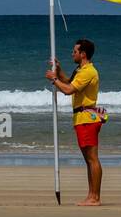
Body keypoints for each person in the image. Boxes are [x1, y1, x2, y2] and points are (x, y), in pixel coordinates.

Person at [45, 38, 106, 206]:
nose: (72, 54)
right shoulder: (80, 70)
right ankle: (91, 195)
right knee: (88, 159)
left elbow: (68, 90)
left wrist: (53, 79)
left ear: (83, 54)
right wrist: (58, 71)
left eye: (75, 51)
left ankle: (95, 197)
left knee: (92, 158)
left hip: (87, 118)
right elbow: (69, 81)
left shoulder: (88, 72)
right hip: (81, 118)